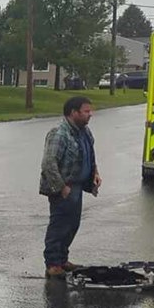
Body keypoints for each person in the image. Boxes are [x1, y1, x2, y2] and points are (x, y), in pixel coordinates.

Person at [38, 95, 101, 279]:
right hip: (63, 188)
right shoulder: (59, 133)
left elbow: (89, 155)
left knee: (72, 225)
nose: (90, 115)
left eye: (90, 111)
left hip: (78, 187)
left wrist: (95, 173)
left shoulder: (85, 132)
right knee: (59, 226)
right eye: (86, 111)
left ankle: (62, 260)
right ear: (73, 113)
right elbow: (49, 163)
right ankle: (53, 264)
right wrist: (61, 187)